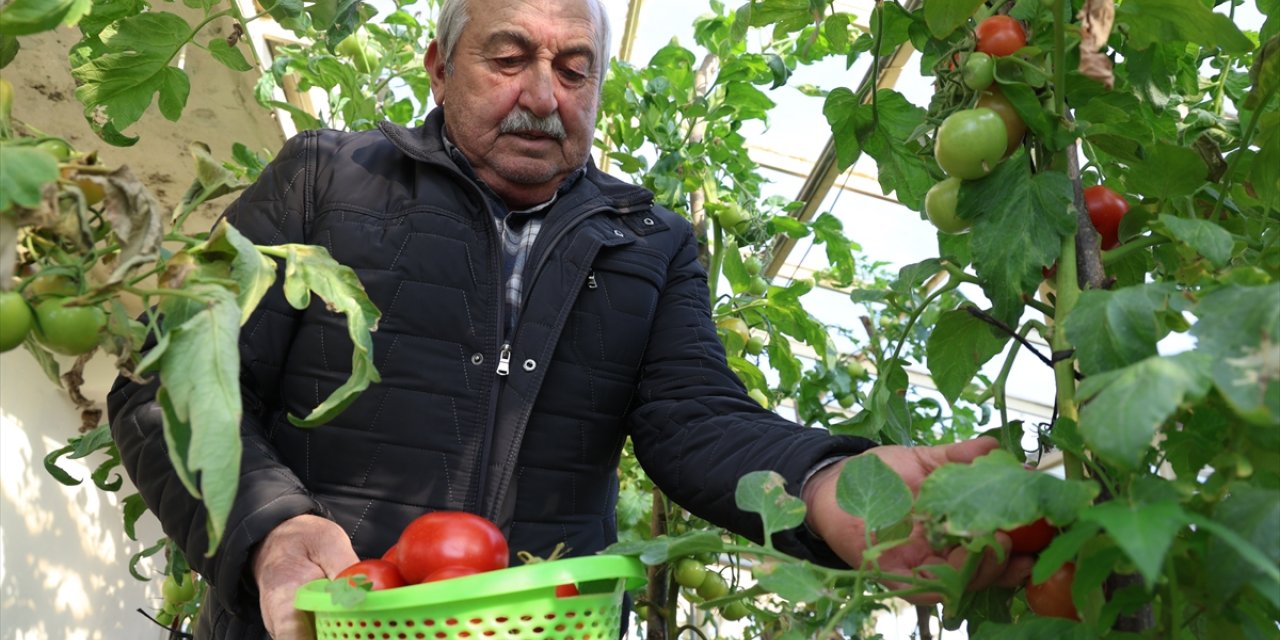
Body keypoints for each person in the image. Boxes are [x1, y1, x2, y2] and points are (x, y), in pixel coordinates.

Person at [107, 0, 1029, 637]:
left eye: (575, 70)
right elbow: (167, 389)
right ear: (438, 66)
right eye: (509, 59)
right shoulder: (324, 181)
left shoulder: (650, 242)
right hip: (322, 624)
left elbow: (694, 421)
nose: (545, 96)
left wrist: (827, 483)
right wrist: (271, 531)